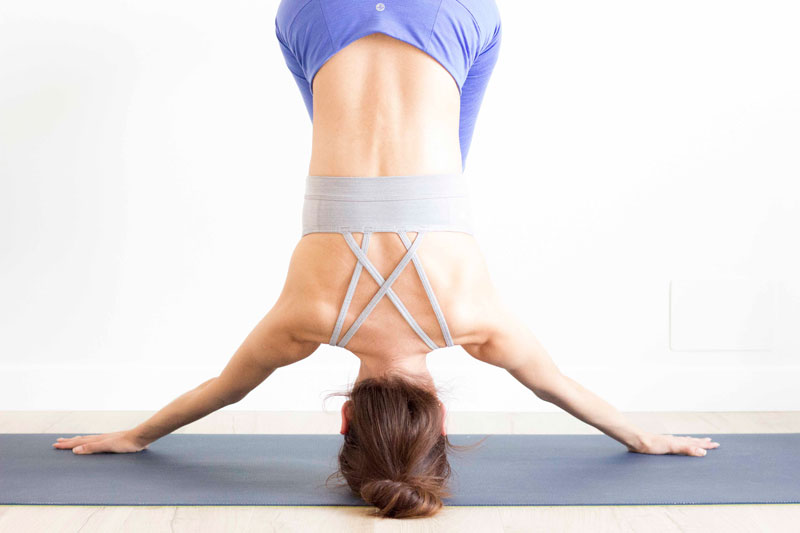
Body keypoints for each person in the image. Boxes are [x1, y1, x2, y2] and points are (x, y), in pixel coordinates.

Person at [53, 0, 720, 519]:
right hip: (319, 15)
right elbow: (224, 389)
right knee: (345, 103)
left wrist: (641, 436)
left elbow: (557, 386)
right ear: (348, 419)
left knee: (448, 138)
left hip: (448, 14)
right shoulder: (302, 321)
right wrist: (136, 434)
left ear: (441, 418)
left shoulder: (478, 322)